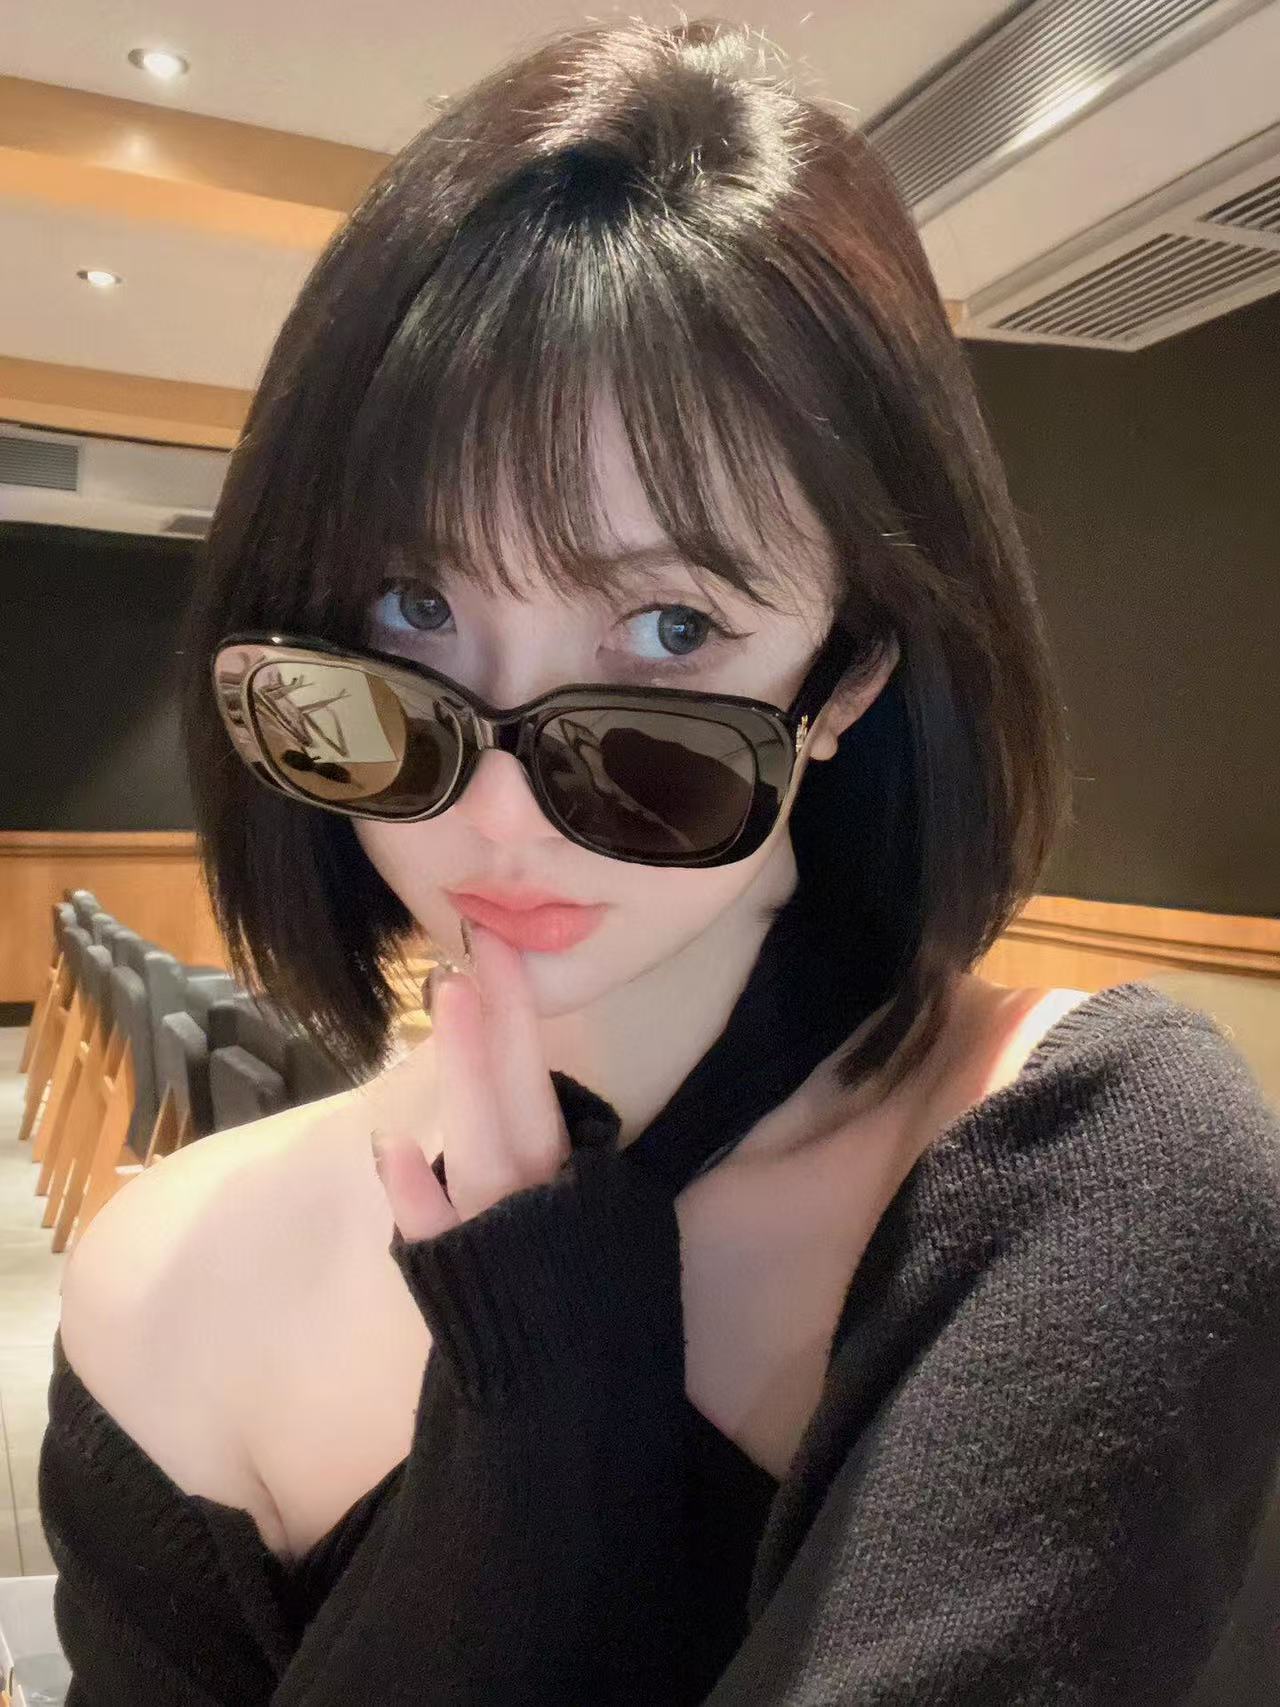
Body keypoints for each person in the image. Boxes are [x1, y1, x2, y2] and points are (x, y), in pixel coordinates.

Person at [37, 17, 1280, 1705]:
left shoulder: (1099, 1178)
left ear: (851, 672)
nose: (497, 812)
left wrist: (547, 1436)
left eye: (673, 625)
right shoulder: (162, 1283)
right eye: (412, 606)